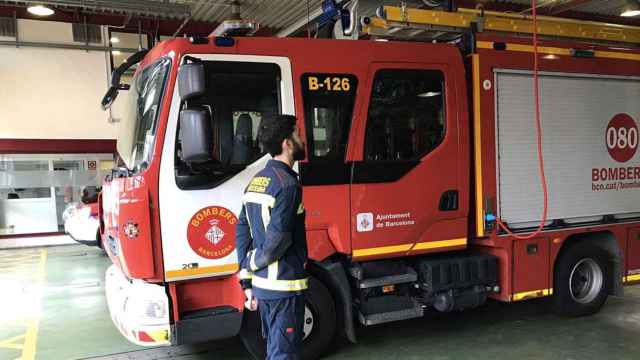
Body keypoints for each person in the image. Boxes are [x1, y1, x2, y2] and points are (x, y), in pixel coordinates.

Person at [236, 114, 308, 360]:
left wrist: (246, 281)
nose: (302, 140)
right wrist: (252, 263)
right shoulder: (287, 185)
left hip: (263, 288)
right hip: (284, 288)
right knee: (284, 354)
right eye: (297, 134)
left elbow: (242, 230)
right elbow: (277, 242)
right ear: (287, 143)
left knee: (275, 351)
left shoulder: (256, 182)